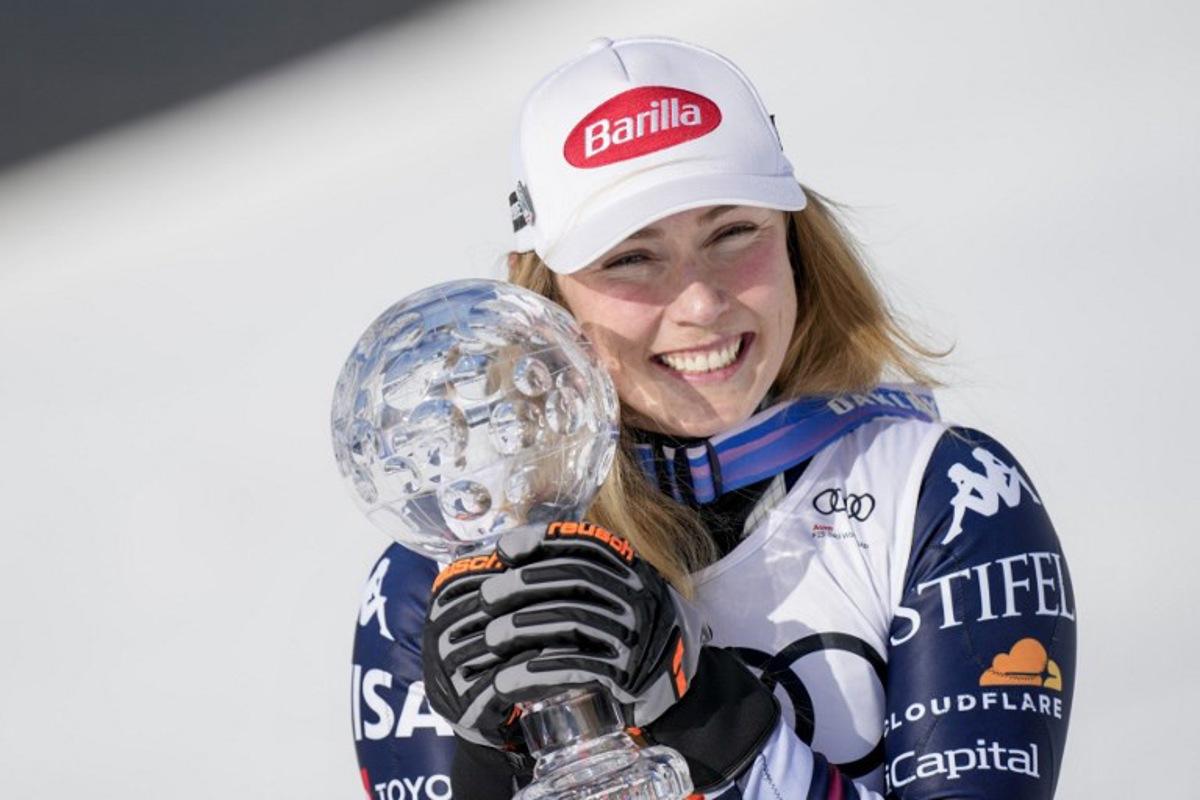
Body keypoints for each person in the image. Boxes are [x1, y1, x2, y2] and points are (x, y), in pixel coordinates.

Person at [352, 36, 1074, 799]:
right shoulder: (441, 577)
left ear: (798, 239)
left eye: (734, 233)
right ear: (544, 300)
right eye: (631, 258)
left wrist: (702, 717)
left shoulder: (944, 496)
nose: (700, 302)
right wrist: (493, 767)